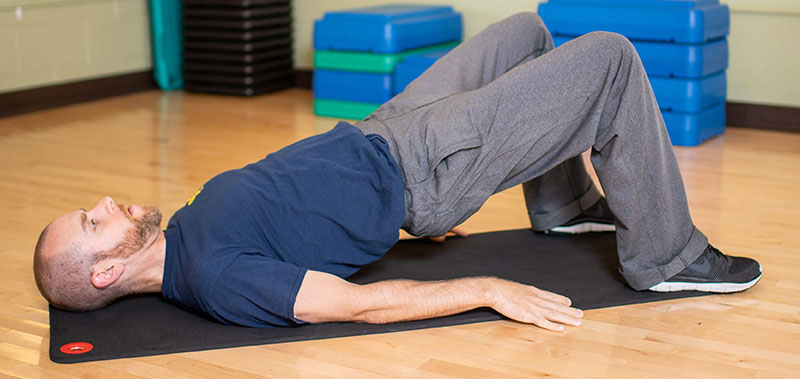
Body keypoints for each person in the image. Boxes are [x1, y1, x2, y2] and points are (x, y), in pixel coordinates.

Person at [33, 13, 761, 332]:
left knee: (528, 34)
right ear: (104, 274)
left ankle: (563, 203)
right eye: (94, 223)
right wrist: (485, 286)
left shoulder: (185, 233)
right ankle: (666, 256)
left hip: (388, 128)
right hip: (422, 168)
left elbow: (299, 217)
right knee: (610, 58)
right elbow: (352, 305)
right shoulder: (216, 278)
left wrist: (366, 224)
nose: (103, 203)